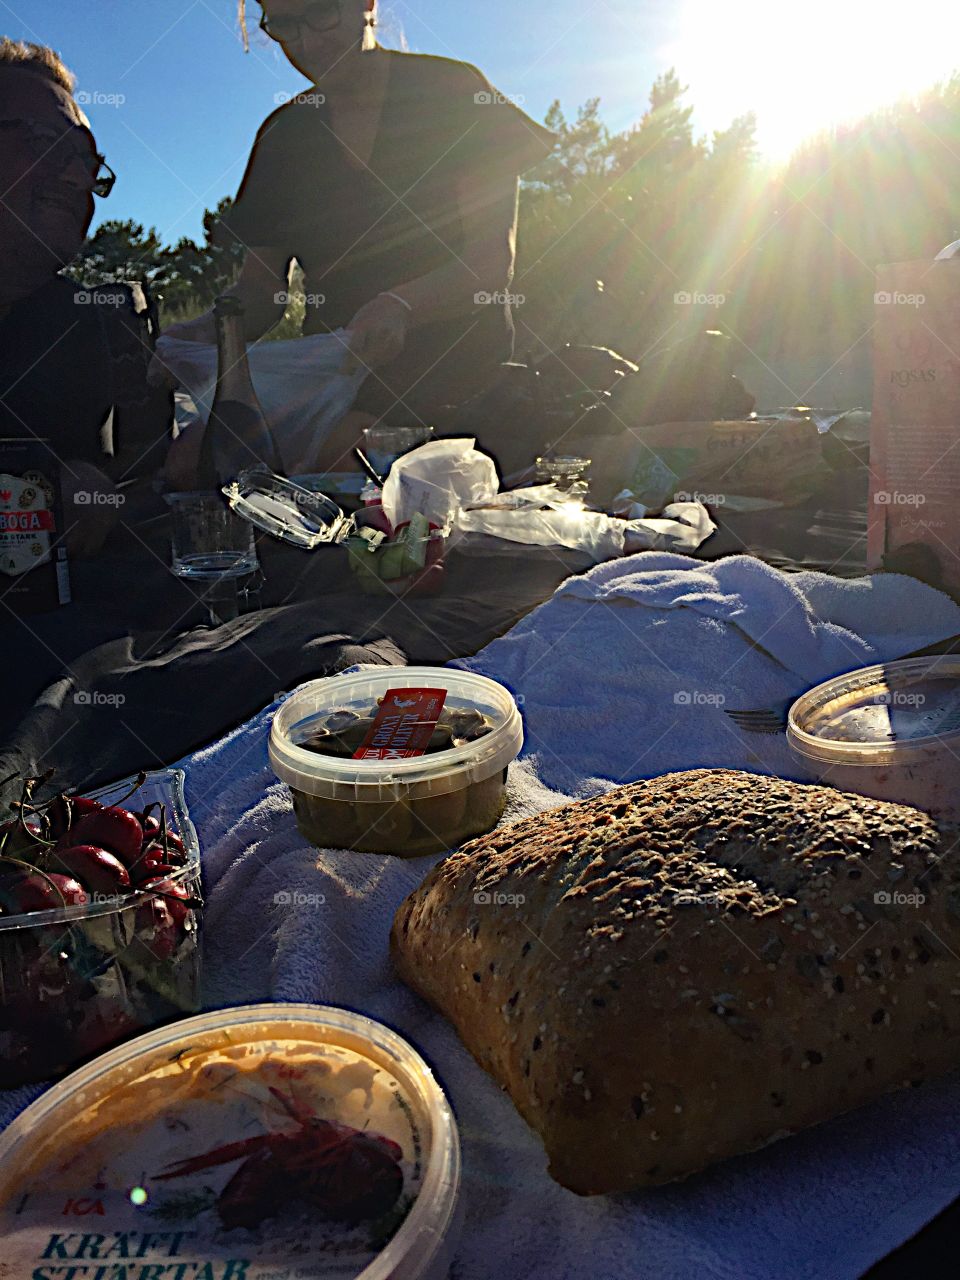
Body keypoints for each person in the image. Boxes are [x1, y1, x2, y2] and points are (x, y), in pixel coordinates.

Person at [164, 0, 554, 468]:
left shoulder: (452, 91)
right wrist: (185, 338)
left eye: (321, 14)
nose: (306, 42)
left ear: (365, 4)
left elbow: (491, 264)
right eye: (284, 25)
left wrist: (401, 306)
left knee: (343, 459)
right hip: (336, 388)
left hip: (461, 384)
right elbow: (261, 293)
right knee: (189, 462)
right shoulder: (284, 135)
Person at [0, 39, 169, 555]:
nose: (78, 178)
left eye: (88, 162)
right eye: (48, 142)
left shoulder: (82, 323)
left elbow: (104, 484)